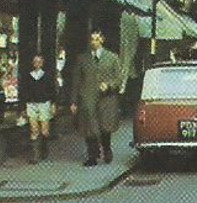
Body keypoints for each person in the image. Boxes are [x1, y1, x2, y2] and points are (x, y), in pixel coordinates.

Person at [69, 31, 124, 167]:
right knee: (89, 128)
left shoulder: (112, 57)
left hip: (107, 99)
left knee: (105, 127)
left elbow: (119, 79)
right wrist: (74, 101)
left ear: (102, 40)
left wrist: (109, 85)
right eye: (92, 39)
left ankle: (106, 149)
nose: (94, 42)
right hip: (88, 98)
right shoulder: (82, 59)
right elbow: (76, 81)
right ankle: (92, 156)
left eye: (97, 39)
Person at [20, 54, 56, 164]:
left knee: (44, 130)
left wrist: (53, 104)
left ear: (42, 63)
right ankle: (35, 154)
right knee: (34, 129)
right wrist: (23, 107)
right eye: (35, 61)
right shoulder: (28, 77)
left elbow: (52, 91)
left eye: (39, 61)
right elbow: (24, 91)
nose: (37, 63)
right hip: (31, 104)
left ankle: (44, 147)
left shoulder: (47, 76)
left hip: (44, 103)